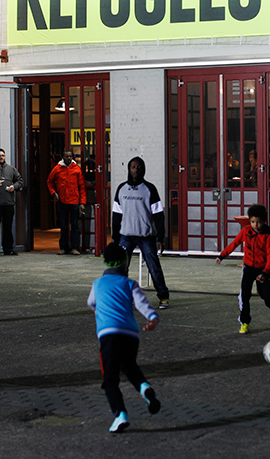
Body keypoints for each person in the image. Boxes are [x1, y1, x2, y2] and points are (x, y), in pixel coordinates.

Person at [87, 243, 161, 433]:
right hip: (130, 334)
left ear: (104, 263)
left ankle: (120, 414)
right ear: (125, 262)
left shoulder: (98, 284)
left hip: (108, 335)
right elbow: (141, 303)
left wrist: (98, 309)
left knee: (110, 379)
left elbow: (91, 303)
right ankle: (145, 388)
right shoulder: (130, 284)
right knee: (129, 365)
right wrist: (152, 318)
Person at [217, 203, 270, 334]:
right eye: (253, 222)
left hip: (262, 270)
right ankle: (245, 322)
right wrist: (222, 256)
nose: (256, 225)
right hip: (248, 269)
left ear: (264, 221)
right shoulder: (246, 231)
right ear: (249, 220)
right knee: (244, 297)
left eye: (259, 222)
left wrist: (264, 272)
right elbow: (234, 244)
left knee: (267, 299)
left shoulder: (268, 236)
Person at [112, 156, 170, 309]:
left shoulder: (150, 189)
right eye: (133, 167)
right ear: (129, 169)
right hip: (126, 236)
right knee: (121, 269)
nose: (136, 170)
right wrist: (115, 239)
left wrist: (160, 237)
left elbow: (158, 215)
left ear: (143, 169)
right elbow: (116, 216)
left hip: (146, 236)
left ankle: (163, 297)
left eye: (139, 167)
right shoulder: (121, 189)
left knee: (154, 267)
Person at [47, 149, 87, 255]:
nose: (68, 158)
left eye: (70, 156)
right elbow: (49, 181)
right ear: (63, 157)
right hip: (62, 201)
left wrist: (82, 203)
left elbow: (82, 187)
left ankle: (74, 248)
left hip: (74, 201)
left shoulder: (77, 169)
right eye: (66, 156)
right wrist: (53, 193)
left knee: (74, 226)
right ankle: (63, 247)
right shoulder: (57, 169)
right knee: (64, 226)